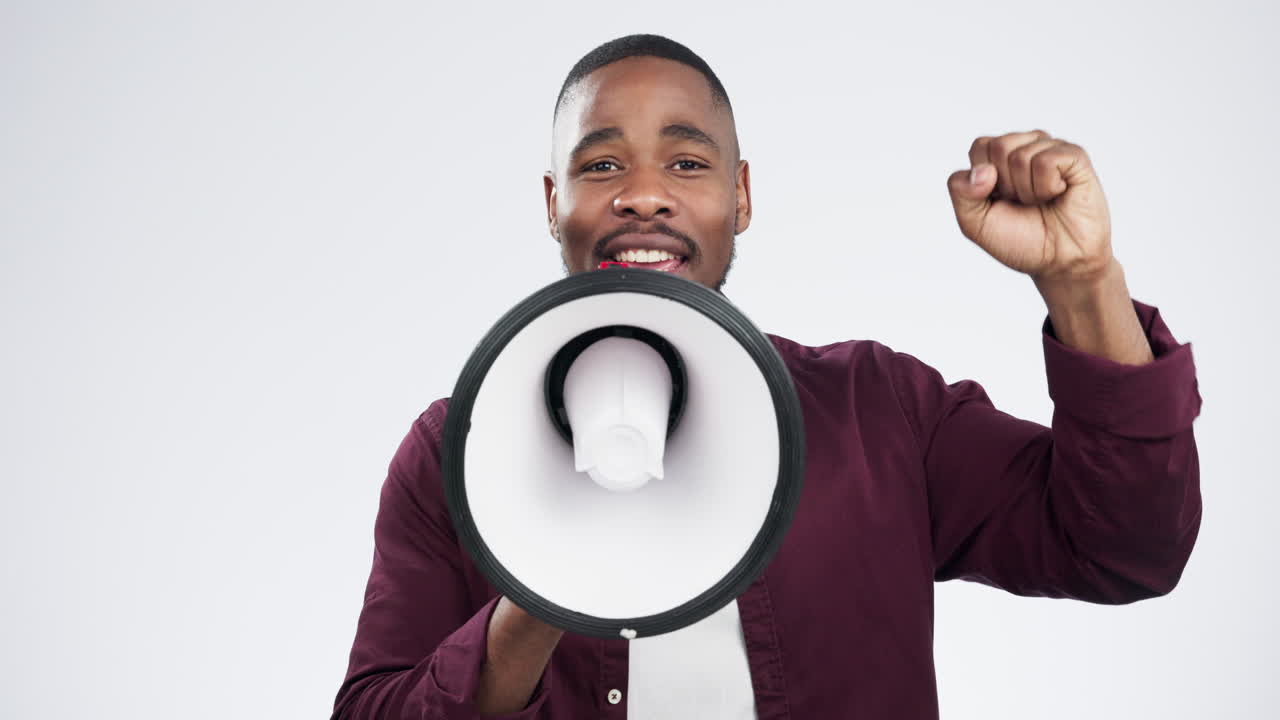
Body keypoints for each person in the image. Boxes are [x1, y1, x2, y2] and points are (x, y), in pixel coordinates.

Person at [330, 34, 1202, 719]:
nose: (643, 196)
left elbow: (1126, 548)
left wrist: (1084, 282)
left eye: (687, 163)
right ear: (552, 203)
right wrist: (541, 594)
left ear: (739, 197)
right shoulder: (455, 455)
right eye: (601, 166)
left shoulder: (880, 412)